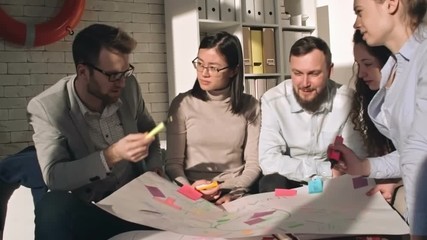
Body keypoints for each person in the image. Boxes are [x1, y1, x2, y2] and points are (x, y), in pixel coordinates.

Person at [27, 24, 163, 240]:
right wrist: (111, 155)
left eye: (125, 72)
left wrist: (155, 168)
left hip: (137, 204)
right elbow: (54, 176)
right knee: (52, 205)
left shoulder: (129, 87)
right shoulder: (47, 107)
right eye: (112, 75)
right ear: (83, 72)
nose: (122, 82)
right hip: (92, 208)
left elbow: (150, 132)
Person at [331, 0, 427, 237]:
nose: (356, 22)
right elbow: (410, 152)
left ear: (391, 3)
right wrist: (364, 166)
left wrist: (419, 230)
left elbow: (419, 152)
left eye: (359, 11)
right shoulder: (399, 66)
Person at [257, 36, 366, 192]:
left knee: (359, 183)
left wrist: (335, 171)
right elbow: (269, 161)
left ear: (330, 71)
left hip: (334, 180)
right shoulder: (272, 100)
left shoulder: (347, 100)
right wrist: (324, 171)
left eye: (314, 74)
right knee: (270, 182)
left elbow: (356, 156)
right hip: (293, 178)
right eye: (297, 73)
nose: (305, 83)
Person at [165, 31, 261, 204]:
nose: (204, 73)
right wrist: (190, 192)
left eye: (214, 67)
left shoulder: (250, 106)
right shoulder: (182, 104)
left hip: (234, 190)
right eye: (200, 64)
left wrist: (234, 192)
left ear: (233, 71)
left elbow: (253, 164)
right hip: (192, 191)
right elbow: (173, 163)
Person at [351, 29, 403, 206]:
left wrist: (364, 166)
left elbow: (416, 154)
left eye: (367, 64)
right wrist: (396, 181)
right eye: (358, 65)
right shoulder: (378, 97)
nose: (360, 74)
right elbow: (407, 155)